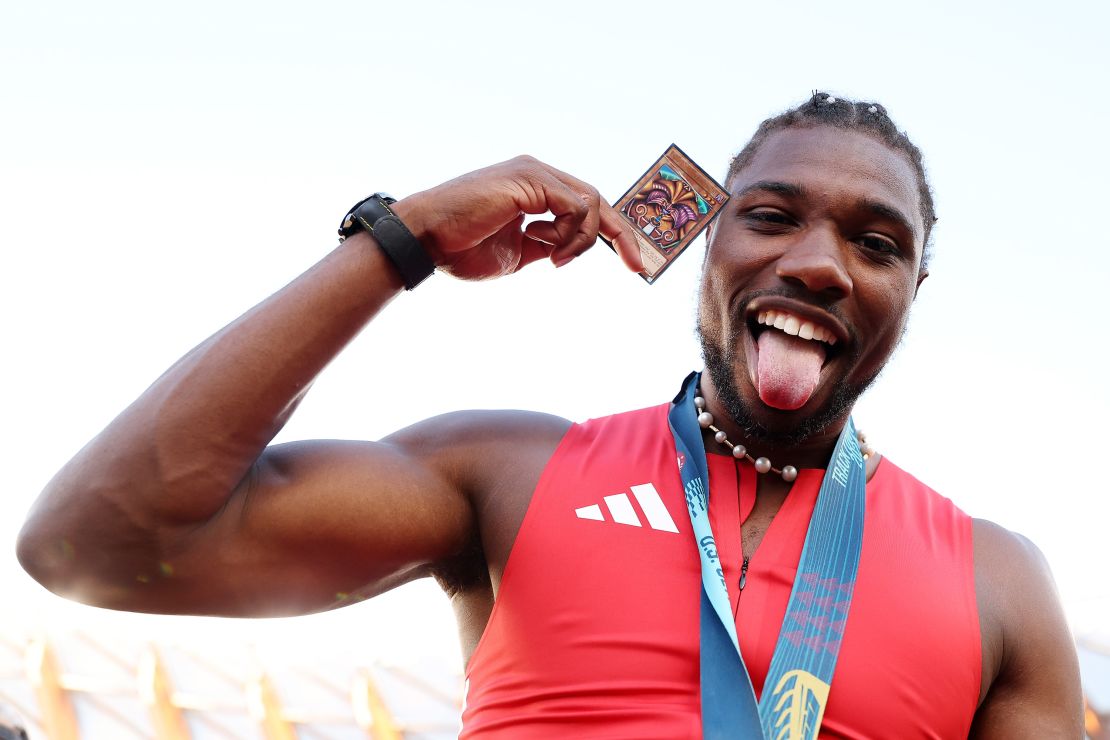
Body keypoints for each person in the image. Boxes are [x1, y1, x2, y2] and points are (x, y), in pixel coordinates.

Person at [17, 93, 1082, 737]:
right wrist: (404, 241)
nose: (815, 264)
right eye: (769, 217)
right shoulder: (512, 471)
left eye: (877, 244)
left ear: (911, 292)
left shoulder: (996, 578)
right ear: (702, 243)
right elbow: (99, 540)